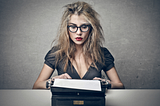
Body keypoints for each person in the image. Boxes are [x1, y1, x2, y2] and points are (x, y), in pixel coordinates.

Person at [33, 1, 124, 89]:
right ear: (66, 28)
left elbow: (120, 85)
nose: (79, 32)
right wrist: (52, 82)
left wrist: (105, 83)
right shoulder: (56, 53)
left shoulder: (103, 54)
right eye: (73, 27)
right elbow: (36, 86)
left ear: (91, 29)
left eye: (84, 27)